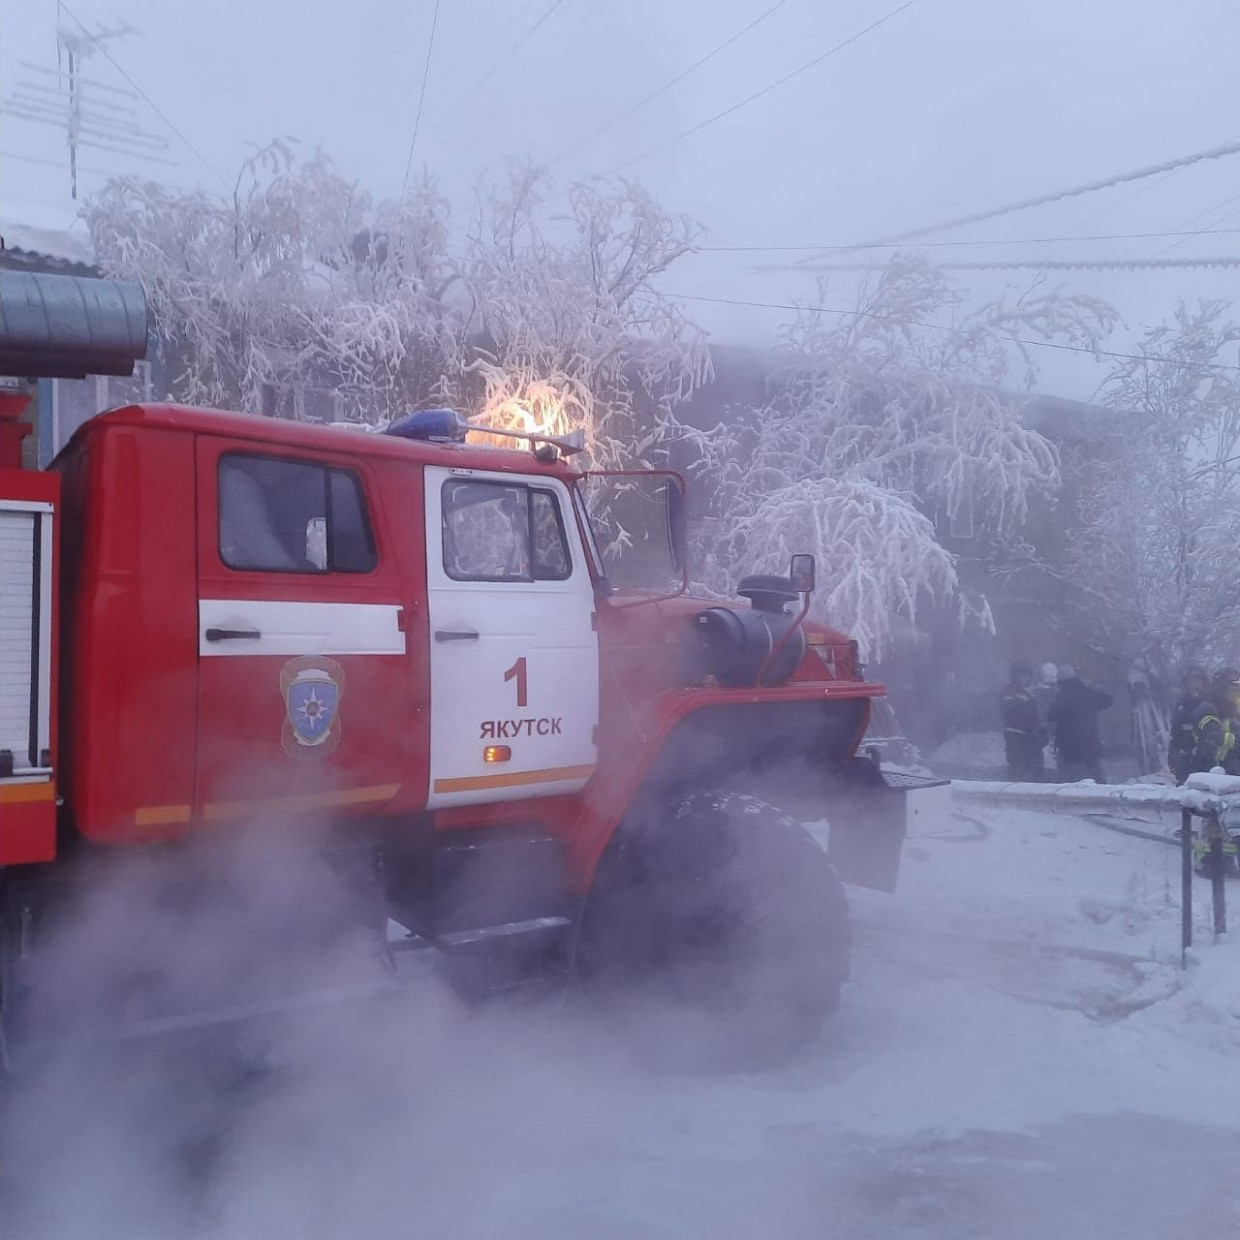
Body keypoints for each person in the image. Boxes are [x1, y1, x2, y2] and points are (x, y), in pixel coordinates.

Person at [1047, 666, 1113, 783]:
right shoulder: (1088, 692)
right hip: (1091, 742)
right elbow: (1108, 700)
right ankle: (1106, 794)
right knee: (1097, 773)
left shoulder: (1063, 695)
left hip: (1071, 745)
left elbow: (1052, 714)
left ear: (1060, 681)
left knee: (1074, 779)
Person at [1188, 668, 1240, 778]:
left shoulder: (1232, 710)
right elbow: (1215, 738)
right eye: (1233, 690)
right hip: (1208, 770)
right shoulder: (1206, 709)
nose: (1237, 695)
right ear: (1221, 690)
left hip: (1229, 769)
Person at [999, 662, 1046, 781]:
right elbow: (1008, 709)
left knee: (1035, 768)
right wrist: (1024, 696)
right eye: (1021, 675)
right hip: (1015, 734)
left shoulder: (1030, 692)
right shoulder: (1009, 691)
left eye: (1027, 676)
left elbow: (1035, 713)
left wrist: (1041, 729)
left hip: (1031, 736)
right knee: (1018, 768)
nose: (1025, 679)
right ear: (1014, 676)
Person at [1168, 664, 1210, 784]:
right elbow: (1175, 733)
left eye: (1199, 681)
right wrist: (1173, 757)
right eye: (1192, 680)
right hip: (1184, 754)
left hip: (1205, 756)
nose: (1195, 684)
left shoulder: (1210, 703)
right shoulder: (1181, 703)